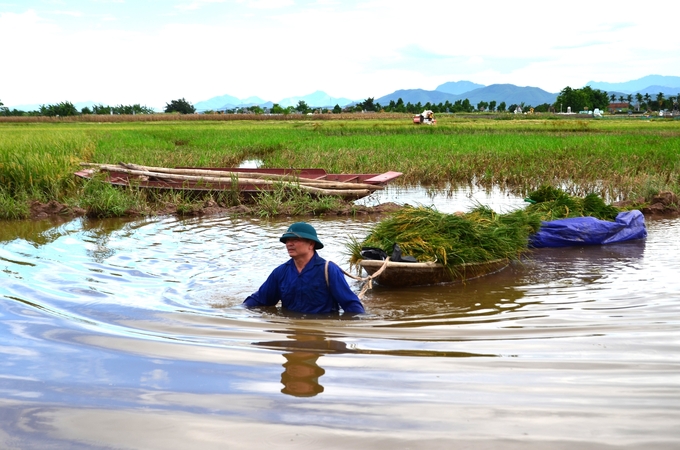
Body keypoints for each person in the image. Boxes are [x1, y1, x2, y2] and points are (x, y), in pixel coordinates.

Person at [243, 222, 365, 314]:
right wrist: (236, 313)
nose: (289, 244)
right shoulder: (280, 273)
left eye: (295, 240)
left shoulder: (329, 270)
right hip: (291, 335)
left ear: (311, 244)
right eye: (287, 240)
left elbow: (351, 305)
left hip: (322, 334)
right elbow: (260, 300)